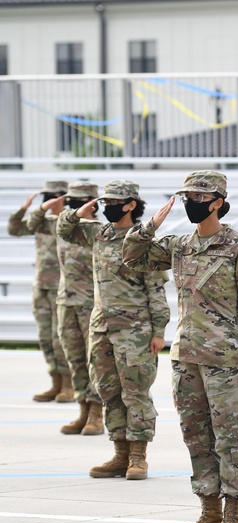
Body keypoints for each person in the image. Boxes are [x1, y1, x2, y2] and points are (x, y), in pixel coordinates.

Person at [123, 171, 238, 523]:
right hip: (186, 357)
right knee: (196, 436)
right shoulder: (180, 245)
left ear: (217, 201)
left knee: (229, 438)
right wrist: (151, 224)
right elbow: (132, 257)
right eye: (186, 197)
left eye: (198, 197)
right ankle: (209, 514)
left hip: (226, 359)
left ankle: (234, 517)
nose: (191, 203)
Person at [58, 180, 170, 481]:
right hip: (102, 328)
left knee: (135, 393)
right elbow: (64, 230)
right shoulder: (100, 234)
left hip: (135, 331)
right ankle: (119, 453)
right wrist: (81, 210)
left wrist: (158, 331)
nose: (107, 207)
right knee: (109, 392)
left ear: (131, 204)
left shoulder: (143, 242)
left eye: (113, 202)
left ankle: (138, 457)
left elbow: (156, 289)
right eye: (104, 202)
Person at [7, 181, 72, 403]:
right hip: (42, 286)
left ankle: (68, 384)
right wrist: (26, 208)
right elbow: (14, 229)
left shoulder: (71, 222)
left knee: (60, 338)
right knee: (46, 338)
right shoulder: (41, 221)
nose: (51, 199)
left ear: (65, 196)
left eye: (56, 195)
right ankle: (55, 382)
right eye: (48, 195)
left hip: (63, 288)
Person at [54, 182, 103, 436]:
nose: (72, 204)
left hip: (90, 303)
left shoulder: (97, 231)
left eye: (78, 200)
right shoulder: (64, 227)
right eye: (69, 200)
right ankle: (82, 409)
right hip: (66, 302)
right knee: (74, 359)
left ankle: (96, 412)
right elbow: (36, 222)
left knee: (93, 359)